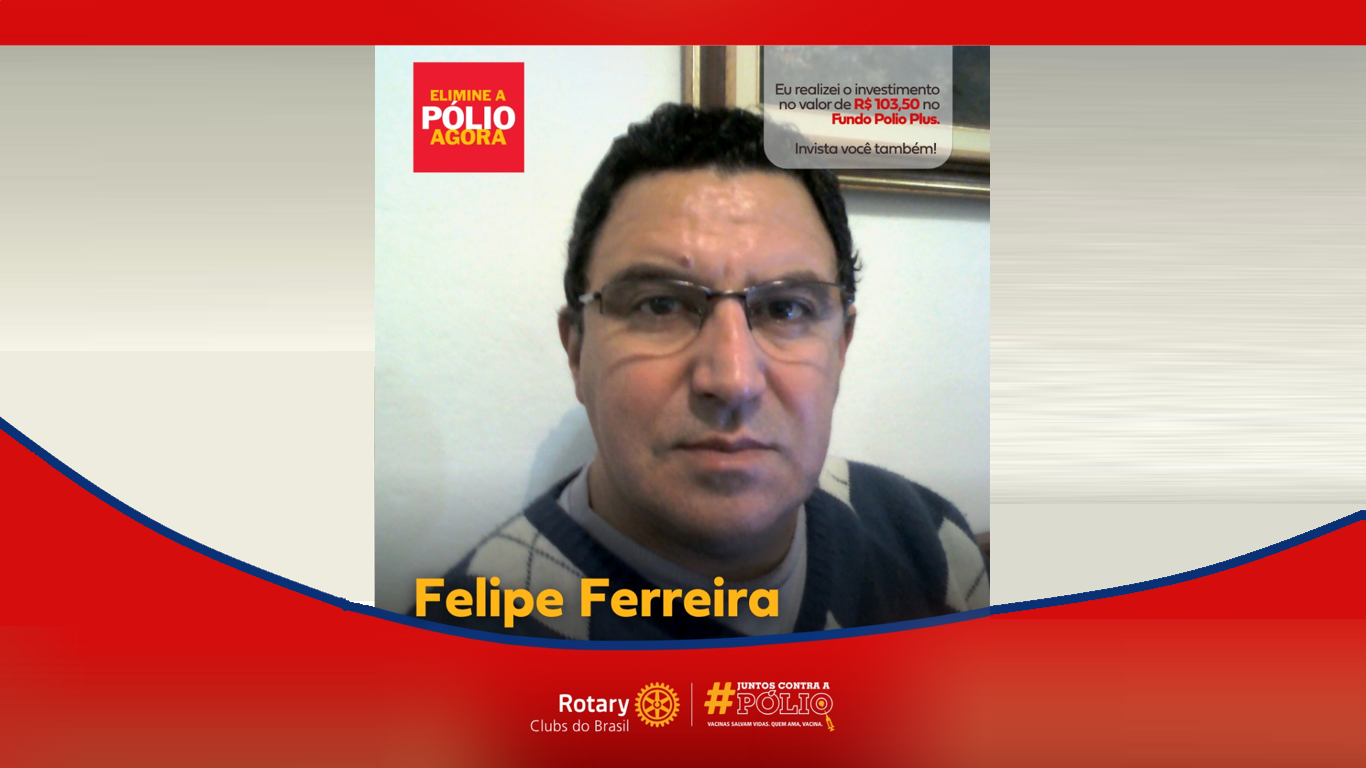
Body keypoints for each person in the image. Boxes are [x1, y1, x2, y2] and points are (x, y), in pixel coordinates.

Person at [413, 104, 987, 640]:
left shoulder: (923, 536)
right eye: (660, 305)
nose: (734, 379)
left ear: (841, 348)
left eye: (786, 309)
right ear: (577, 352)